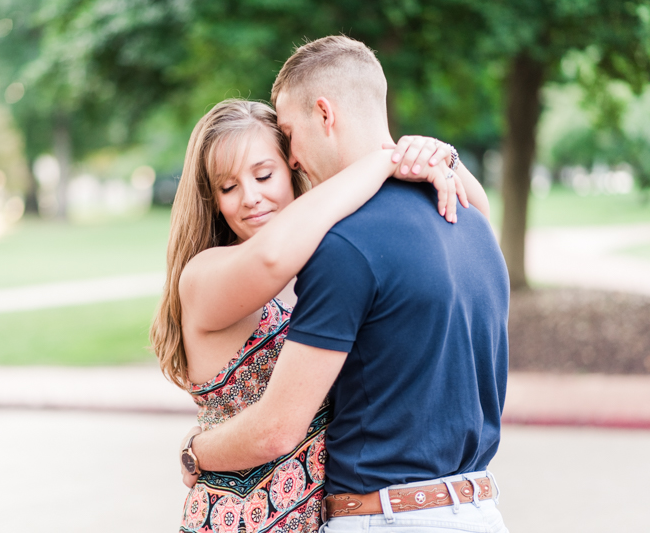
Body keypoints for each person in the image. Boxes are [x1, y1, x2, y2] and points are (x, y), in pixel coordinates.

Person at [176, 36, 510, 533]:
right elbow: (269, 258)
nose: (252, 195)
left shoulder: (339, 253)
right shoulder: (210, 273)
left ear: (324, 115)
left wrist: (441, 160)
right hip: (244, 520)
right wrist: (387, 158)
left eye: (270, 167)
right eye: (228, 187)